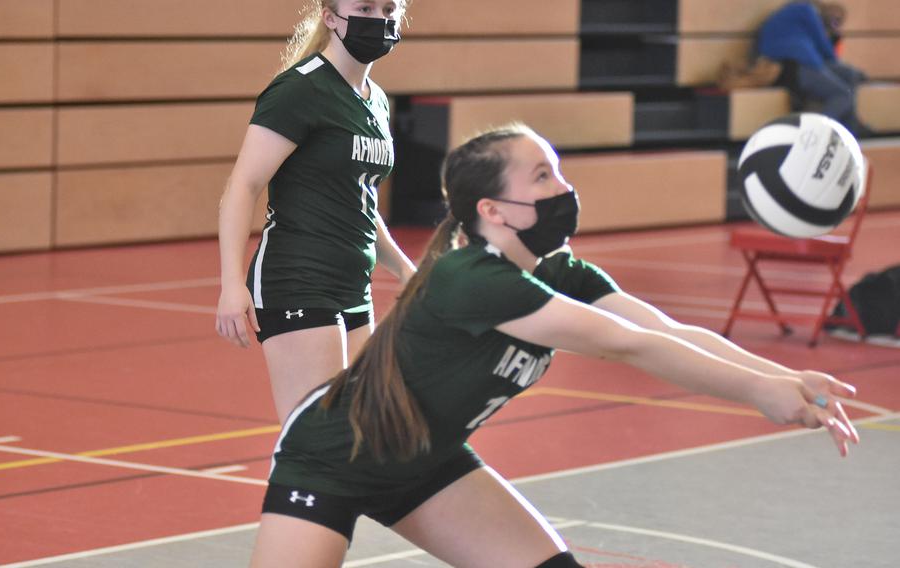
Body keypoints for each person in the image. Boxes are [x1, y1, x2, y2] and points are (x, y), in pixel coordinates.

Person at [248, 124, 860, 568]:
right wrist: (758, 393)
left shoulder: (558, 270)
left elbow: (665, 332)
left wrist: (786, 377)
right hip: (332, 461)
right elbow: (628, 348)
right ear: (494, 210)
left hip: (426, 463)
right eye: (542, 176)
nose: (563, 187)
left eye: (558, 169)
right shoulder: (470, 280)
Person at [216, 0, 416, 422]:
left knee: (361, 429)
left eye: (388, 10)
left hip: (352, 285)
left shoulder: (376, 101)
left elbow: (359, 202)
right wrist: (231, 285)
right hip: (298, 279)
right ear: (330, 17)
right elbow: (243, 186)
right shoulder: (300, 90)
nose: (378, 19)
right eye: (364, 7)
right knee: (315, 438)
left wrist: (405, 270)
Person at [755, 1, 871, 136]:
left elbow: (821, 56)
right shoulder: (807, 10)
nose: (835, 24)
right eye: (835, 21)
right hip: (795, 67)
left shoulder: (792, 15)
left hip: (792, 65)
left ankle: (851, 127)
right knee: (843, 95)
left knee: (850, 74)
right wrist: (834, 39)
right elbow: (824, 48)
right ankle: (818, 133)